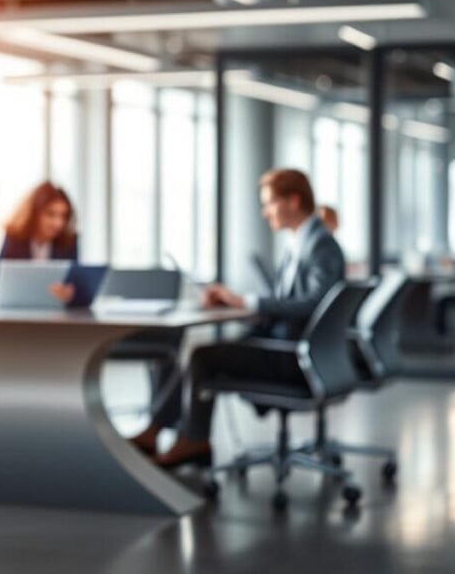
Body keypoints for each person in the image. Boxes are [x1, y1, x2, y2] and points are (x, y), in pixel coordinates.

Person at [130, 169, 346, 468]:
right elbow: (290, 304)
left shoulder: (320, 245)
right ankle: (175, 435)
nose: (264, 212)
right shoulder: (301, 242)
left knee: (202, 358)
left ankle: (185, 439)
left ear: (293, 201)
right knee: (204, 355)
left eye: (270, 203)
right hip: (289, 346)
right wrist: (238, 306)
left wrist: (246, 302)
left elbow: (313, 306)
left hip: (296, 357)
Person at [0, 182, 79, 304]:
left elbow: (77, 291)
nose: (58, 223)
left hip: (56, 316)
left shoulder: (69, 242)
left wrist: (71, 295)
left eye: (63, 216)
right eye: (50, 214)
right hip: (18, 315)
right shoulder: (14, 240)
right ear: (34, 213)